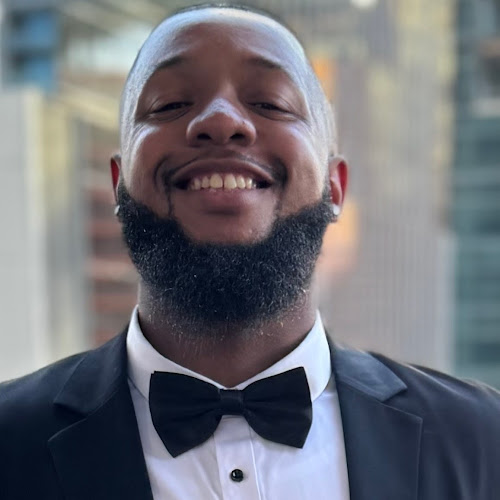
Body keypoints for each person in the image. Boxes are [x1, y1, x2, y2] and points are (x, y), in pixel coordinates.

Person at [1, 4, 499, 500]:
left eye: (271, 102)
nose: (221, 120)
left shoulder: (482, 440)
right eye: (170, 104)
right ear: (119, 183)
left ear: (334, 186)